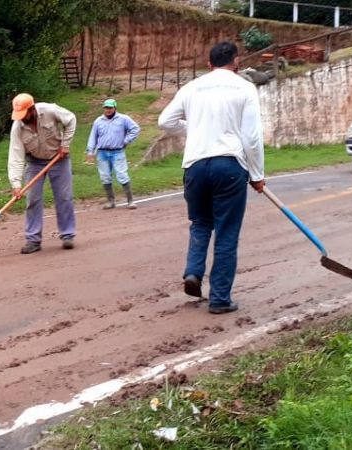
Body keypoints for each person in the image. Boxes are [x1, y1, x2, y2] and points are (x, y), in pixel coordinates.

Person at [158, 41, 265, 314]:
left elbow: (165, 122)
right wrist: (257, 175)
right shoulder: (244, 87)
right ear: (236, 62)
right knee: (226, 234)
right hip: (228, 165)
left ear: (209, 64)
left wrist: (194, 128)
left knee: (201, 222)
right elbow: (251, 138)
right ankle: (219, 299)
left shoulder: (192, 87)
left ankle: (193, 271)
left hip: (194, 166)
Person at [8, 93, 77, 254]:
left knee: (64, 197)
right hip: (35, 162)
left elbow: (71, 119)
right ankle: (33, 240)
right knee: (32, 199)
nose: (22, 118)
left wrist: (65, 144)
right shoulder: (17, 127)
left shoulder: (49, 110)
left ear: (32, 109)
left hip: (58, 159)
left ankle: (67, 235)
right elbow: (15, 156)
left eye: (25, 114)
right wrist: (16, 184)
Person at [85, 98, 141, 209]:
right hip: (102, 152)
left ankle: (130, 201)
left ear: (115, 108)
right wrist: (90, 151)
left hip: (117, 152)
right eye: (106, 108)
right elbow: (93, 136)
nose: (108, 110)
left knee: (122, 175)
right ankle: (111, 201)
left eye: (110, 108)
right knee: (105, 176)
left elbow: (135, 129)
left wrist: (126, 140)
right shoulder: (98, 121)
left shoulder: (123, 119)